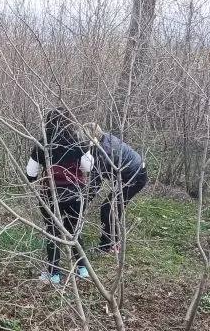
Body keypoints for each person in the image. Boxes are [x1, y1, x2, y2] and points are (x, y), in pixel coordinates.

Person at [25, 108, 94, 285]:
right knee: (75, 230)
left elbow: (31, 173)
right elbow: (87, 167)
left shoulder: (43, 143)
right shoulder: (79, 142)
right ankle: (82, 269)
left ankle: (54, 274)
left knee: (53, 232)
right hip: (76, 193)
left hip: (51, 194)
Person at [84, 123, 147, 254]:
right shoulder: (104, 138)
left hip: (135, 177)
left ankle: (110, 246)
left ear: (93, 139)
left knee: (109, 208)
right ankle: (112, 243)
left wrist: (83, 202)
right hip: (132, 172)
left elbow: (95, 183)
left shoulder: (103, 152)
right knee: (112, 206)